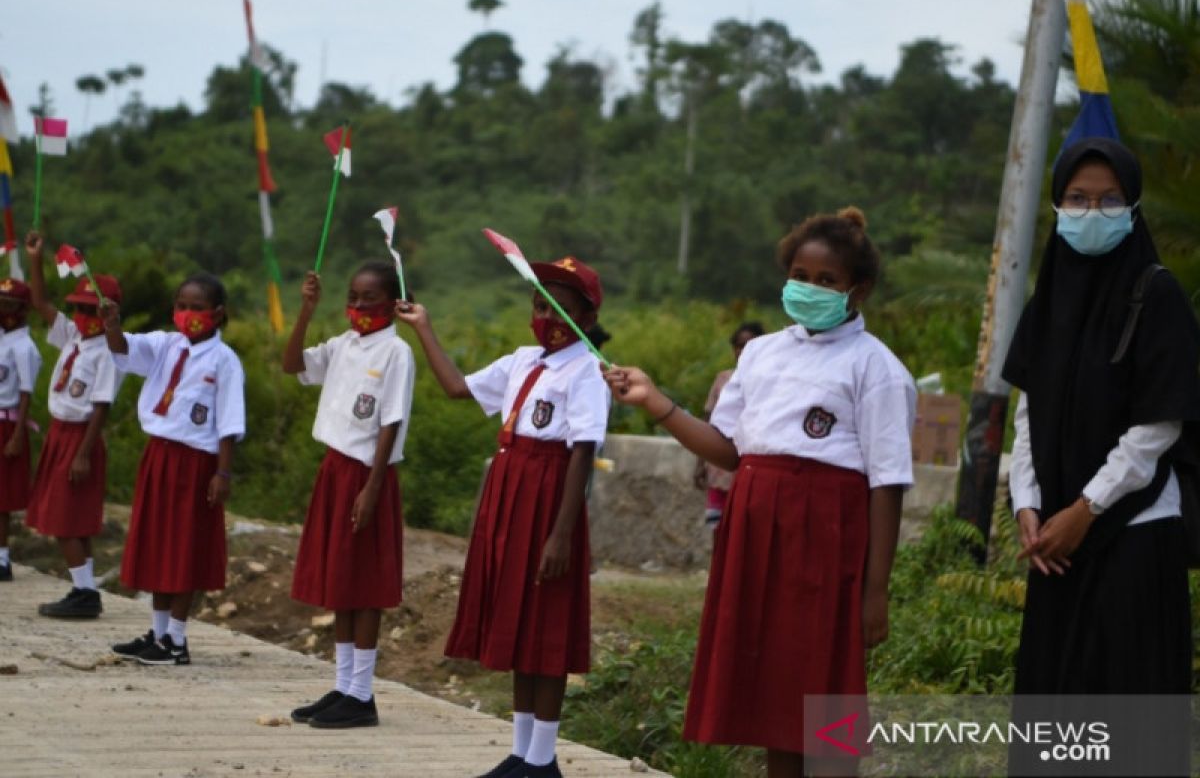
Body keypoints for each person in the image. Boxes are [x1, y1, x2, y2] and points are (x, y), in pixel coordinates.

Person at [605, 208, 914, 778]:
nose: (809, 288)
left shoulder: (878, 369)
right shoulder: (762, 353)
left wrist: (876, 590)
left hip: (827, 538)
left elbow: (887, 482)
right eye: (799, 274)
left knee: (824, 691)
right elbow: (728, 451)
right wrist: (655, 401)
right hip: (756, 530)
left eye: (827, 280)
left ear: (858, 290)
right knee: (775, 694)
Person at [1004, 139, 1197, 773]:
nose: (1093, 212)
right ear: (1057, 204)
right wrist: (1029, 503)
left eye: (1110, 200)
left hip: (1132, 536)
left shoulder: (1157, 294)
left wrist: (1086, 510)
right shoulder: (1048, 300)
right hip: (1055, 545)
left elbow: (1158, 425)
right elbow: (1029, 410)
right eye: (1078, 199)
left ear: (1133, 206)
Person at [396, 256, 609, 778]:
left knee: (548, 626)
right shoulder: (521, 360)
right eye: (540, 304)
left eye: (560, 306)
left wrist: (561, 535)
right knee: (517, 621)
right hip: (509, 493)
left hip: (549, 496)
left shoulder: (587, 371)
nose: (546, 315)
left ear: (585, 315)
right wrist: (424, 327)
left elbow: (581, 451)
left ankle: (544, 759)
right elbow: (455, 388)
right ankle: (520, 753)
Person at [283, 264, 415, 729]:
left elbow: (390, 421)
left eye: (370, 298)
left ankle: (362, 694)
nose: (359, 307)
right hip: (334, 470)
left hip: (367, 475)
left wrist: (373, 488)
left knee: (365, 586)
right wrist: (306, 309)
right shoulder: (343, 344)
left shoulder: (396, 351)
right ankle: (343, 686)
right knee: (340, 582)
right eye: (353, 297)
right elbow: (292, 364)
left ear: (394, 302)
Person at [99, 273, 245, 666]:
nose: (187, 314)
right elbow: (125, 349)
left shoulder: (224, 361)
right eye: (181, 305)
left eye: (197, 308)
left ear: (217, 314)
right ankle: (158, 633)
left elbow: (230, 423)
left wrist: (223, 473)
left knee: (185, 549)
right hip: (159, 456)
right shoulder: (166, 344)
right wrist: (112, 326)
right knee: (158, 546)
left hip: (197, 463)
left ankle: (177, 640)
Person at [23, 232, 123, 617]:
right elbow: (40, 302)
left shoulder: (109, 352)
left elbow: (101, 406)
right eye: (78, 309)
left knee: (64, 519)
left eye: (90, 311)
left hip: (81, 437)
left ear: (108, 312)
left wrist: (82, 454)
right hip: (58, 432)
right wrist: (36, 259)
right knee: (72, 519)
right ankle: (84, 588)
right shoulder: (74, 336)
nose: (82, 318)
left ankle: (85, 594)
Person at [694, 321, 764, 530]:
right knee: (717, 525)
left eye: (750, 345)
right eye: (740, 345)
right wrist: (700, 464)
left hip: (749, 465)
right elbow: (708, 422)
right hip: (719, 468)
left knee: (743, 528)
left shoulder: (769, 380)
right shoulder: (723, 379)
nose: (743, 351)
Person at [0, 275, 42, 582]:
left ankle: (2, 557)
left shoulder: (24, 347)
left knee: (3, 497)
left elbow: (26, 391)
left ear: (22, 309)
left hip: (7, 421)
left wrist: (17, 435)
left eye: (8, 304)